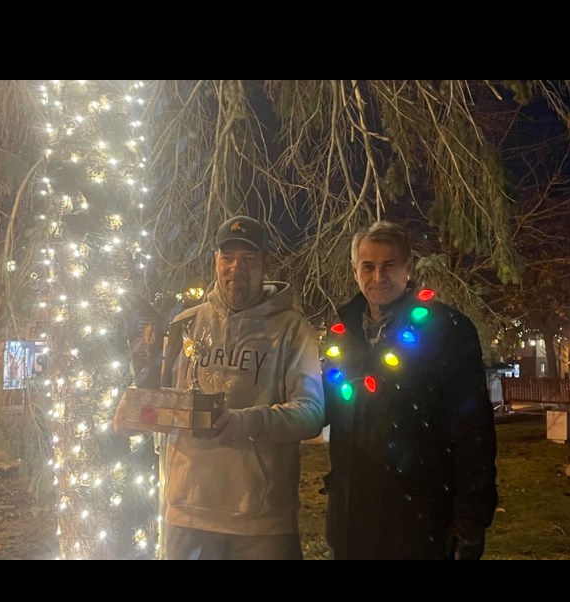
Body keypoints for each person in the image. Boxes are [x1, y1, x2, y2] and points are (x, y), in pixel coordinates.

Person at [133, 215, 324, 560]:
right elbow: (165, 405)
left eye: (249, 259)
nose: (237, 267)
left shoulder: (293, 331)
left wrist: (245, 422)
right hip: (188, 514)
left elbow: (311, 414)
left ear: (266, 263)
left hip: (262, 523)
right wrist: (137, 403)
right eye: (228, 257)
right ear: (215, 261)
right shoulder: (184, 325)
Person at [322, 221, 498, 560]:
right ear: (354, 269)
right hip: (352, 516)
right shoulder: (341, 333)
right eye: (368, 267)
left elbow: (473, 429)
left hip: (421, 519)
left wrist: (471, 517)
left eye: (389, 265)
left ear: (408, 266)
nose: (378, 277)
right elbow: (333, 411)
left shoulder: (447, 329)